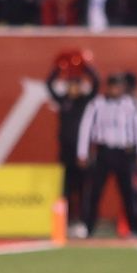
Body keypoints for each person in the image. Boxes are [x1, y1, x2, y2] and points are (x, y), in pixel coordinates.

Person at [76, 71, 137, 238]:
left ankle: (134, 228)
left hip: (125, 152)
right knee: (94, 191)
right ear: (108, 87)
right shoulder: (97, 104)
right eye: (113, 86)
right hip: (104, 152)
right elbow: (85, 128)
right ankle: (88, 227)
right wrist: (82, 153)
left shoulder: (131, 104)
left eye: (119, 86)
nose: (116, 90)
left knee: (129, 193)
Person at [46, 49, 99, 227]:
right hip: (66, 151)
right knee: (66, 188)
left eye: (75, 85)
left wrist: (85, 67)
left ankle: (83, 221)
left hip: (82, 151)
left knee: (84, 188)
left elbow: (97, 83)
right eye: (70, 85)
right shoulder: (63, 101)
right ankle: (67, 220)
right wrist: (58, 68)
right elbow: (49, 84)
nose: (72, 89)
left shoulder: (85, 101)